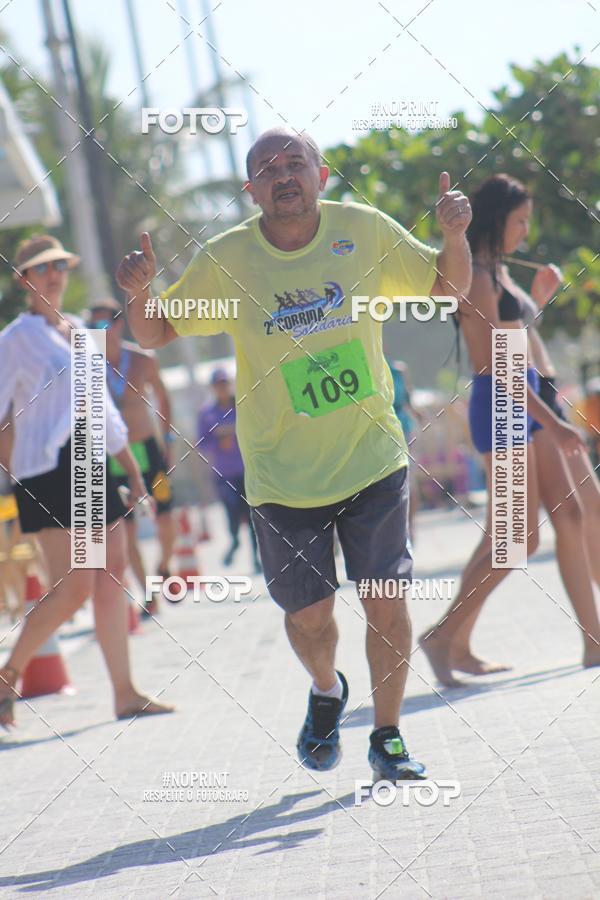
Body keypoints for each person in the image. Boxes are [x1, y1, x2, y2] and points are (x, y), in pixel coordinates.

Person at [117, 127, 472, 780]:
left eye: (295, 163)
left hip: (372, 456)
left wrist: (454, 236)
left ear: (323, 174)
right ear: (249, 191)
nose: (283, 175)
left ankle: (388, 735)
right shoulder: (227, 259)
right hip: (282, 476)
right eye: (266, 168)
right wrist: (140, 292)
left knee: (386, 599)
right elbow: (158, 331)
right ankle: (327, 689)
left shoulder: (363, 231)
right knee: (308, 619)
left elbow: (447, 290)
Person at [419, 174, 600, 686]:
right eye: (520, 220)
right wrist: (557, 424)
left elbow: (514, 342)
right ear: (497, 220)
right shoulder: (476, 275)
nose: (527, 230)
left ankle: (592, 640)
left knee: (564, 519)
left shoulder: (496, 273)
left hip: (522, 401)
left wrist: (536, 300)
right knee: (515, 538)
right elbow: (502, 364)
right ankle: (442, 636)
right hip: (504, 404)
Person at [0, 235, 174, 729]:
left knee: (112, 574)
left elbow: (100, 408)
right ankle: (8, 673)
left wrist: (135, 469)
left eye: (59, 266)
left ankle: (124, 692)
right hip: (45, 472)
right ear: (25, 281)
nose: (53, 275)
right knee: (73, 588)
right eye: (41, 268)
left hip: (91, 462)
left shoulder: (79, 330)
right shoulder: (14, 339)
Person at [87, 298, 177, 617]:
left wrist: (167, 438)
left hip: (149, 449)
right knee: (126, 531)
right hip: (115, 457)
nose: (97, 332)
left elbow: (164, 398)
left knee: (166, 519)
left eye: (102, 325)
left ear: (119, 323)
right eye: (91, 327)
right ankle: (150, 594)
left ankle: (164, 564)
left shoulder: (142, 360)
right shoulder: (86, 366)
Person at [197, 367, 261, 572]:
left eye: (225, 383)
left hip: (246, 470)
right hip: (224, 474)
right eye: (218, 385)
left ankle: (256, 559)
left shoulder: (242, 405)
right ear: (213, 388)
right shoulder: (206, 413)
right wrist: (219, 443)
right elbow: (202, 442)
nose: (222, 388)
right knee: (232, 515)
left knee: (253, 517)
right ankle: (234, 541)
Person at [388, 359, 424, 540]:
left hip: (401, 427)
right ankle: (403, 526)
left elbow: (409, 399)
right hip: (386, 427)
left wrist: (417, 414)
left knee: (408, 478)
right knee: (402, 479)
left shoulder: (398, 369)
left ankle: (410, 525)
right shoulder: (393, 367)